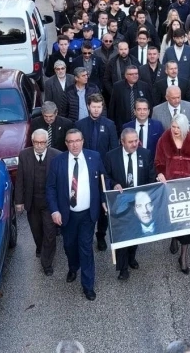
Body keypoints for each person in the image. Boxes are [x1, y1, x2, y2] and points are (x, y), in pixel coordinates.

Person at [46, 129, 107, 301]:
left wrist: (104, 199)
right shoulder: (58, 162)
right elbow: (50, 188)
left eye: (77, 140)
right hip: (67, 214)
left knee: (86, 248)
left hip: (88, 213)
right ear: (66, 143)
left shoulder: (94, 157)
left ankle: (88, 285)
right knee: (69, 246)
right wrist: (55, 210)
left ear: (83, 141)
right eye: (70, 141)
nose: (74, 144)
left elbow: (104, 179)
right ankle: (73, 267)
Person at [154, 114, 190, 274]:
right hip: (171, 185)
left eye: (178, 127)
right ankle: (173, 236)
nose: (175, 130)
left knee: (187, 221)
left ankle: (183, 257)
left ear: (185, 128)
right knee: (173, 217)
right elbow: (158, 161)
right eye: (173, 127)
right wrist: (160, 173)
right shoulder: (164, 138)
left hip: (189, 186)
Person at [105, 128, 155, 281]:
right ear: (122, 142)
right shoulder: (111, 156)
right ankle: (123, 268)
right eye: (130, 142)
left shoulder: (145, 154)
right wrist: (114, 185)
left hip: (138, 202)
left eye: (136, 141)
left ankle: (132, 257)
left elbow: (150, 176)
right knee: (122, 234)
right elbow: (106, 176)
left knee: (135, 233)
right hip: (120, 202)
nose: (134, 144)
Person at [75, 93, 118, 252]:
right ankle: (86, 233)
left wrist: (110, 173)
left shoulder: (109, 125)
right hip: (85, 172)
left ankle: (101, 234)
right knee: (86, 203)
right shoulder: (79, 125)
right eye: (94, 106)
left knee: (103, 207)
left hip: (102, 173)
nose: (96, 110)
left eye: (99, 107)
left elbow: (113, 149)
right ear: (88, 106)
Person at [15, 129, 61, 276]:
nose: (40, 145)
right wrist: (19, 201)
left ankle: (46, 263)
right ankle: (40, 246)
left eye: (43, 142)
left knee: (49, 232)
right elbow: (20, 179)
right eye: (36, 142)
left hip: (49, 203)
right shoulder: (24, 155)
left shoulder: (57, 155)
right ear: (32, 142)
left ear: (47, 142)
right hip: (32, 201)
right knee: (36, 230)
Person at [108, 65, 154, 133]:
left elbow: (150, 105)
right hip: (122, 126)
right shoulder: (117, 87)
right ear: (126, 76)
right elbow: (112, 107)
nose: (134, 76)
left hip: (140, 124)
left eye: (136, 74)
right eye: (131, 74)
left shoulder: (144, 86)